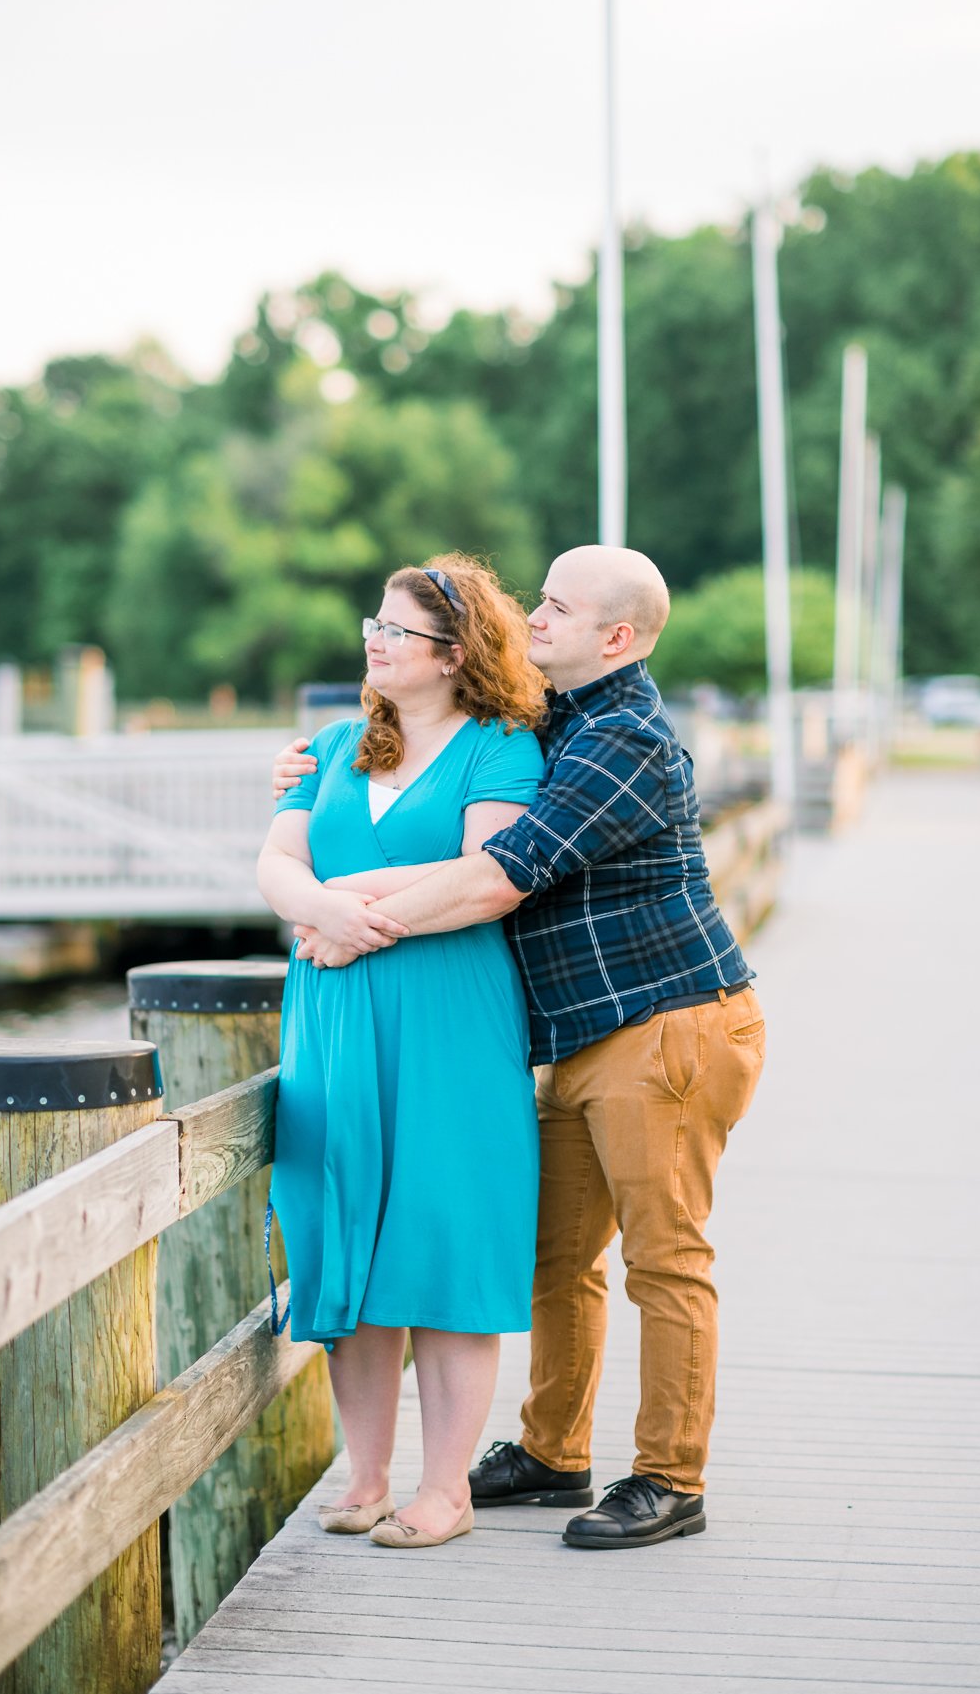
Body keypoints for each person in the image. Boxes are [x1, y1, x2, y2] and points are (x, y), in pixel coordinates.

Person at [278, 545, 766, 1552]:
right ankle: (552, 1452)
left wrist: (347, 917)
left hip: (663, 1020)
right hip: (581, 1035)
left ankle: (670, 1478)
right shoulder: (557, 718)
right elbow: (430, 728)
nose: (532, 619)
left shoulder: (622, 739)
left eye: (555, 607)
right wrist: (300, 764)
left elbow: (500, 874)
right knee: (556, 1257)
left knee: (662, 1260)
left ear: (615, 637)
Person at [256, 553, 547, 1550]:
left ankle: (446, 1489)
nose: (373, 641)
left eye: (397, 631)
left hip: (446, 1021)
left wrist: (348, 917)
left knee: (442, 1241)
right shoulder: (335, 745)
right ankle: (366, 1476)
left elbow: (485, 873)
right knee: (353, 1242)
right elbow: (276, 858)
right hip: (333, 1022)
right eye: (372, 623)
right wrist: (317, 908)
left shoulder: (500, 747)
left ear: (454, 655)